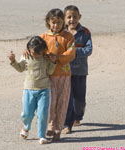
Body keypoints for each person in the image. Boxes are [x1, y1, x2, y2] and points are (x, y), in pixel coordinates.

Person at [8, 36, 57, 144]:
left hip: (44, 90)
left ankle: (42, 135)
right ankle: (26, 127)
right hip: (29, 90)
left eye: (39, 53)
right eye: (34, 53)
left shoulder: (46, 58)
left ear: (44, 50)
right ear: (29, 49)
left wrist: (53, 62)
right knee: (26, 114)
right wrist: (13, 61)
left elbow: (49, 72)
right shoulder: (26, 56)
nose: (36, 55)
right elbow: (20, 68)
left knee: (43, 114)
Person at [40, 8, 76, 141]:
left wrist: (58, 57)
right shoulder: (44, 37)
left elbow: (71, 53)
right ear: (48, 22)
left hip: (64, 75)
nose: (56, 25)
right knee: (50, 102)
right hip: (49, 76)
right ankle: (49, 126)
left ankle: (58, 129)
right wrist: (27, 51)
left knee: (62, 103)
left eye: (59, 22)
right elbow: (34, 48)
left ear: (63, 22)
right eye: (53, 22)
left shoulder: (68, 37)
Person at [62, 5, 93, 134]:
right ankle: (66, 125)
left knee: (79, 99)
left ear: (79, 17)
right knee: (67, 99)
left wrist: (73, 52)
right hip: (64, 71)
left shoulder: (85, 32)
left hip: (80, 71)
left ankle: (78, 116)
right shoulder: (61, 32)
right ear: (64, 19)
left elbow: (88, 50)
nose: (72, 19)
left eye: (75, 16)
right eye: (69, 17)